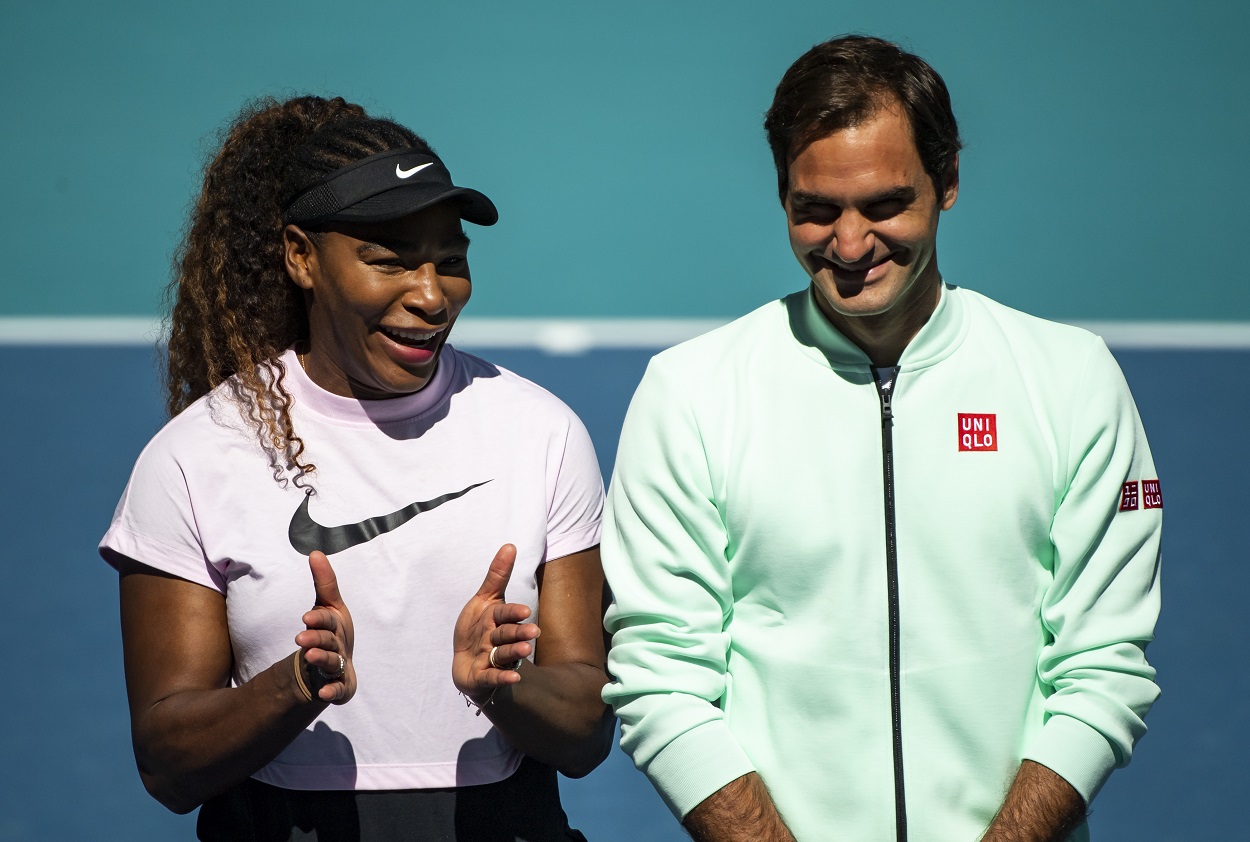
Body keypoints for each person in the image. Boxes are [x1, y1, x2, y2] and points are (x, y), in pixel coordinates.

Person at [600, 35, 1162, 842]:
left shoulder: (1073, 380)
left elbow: (1104, 669)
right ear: (782, 197)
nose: (852, 244)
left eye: (886, 205)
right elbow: (661, 682)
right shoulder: (689, 393)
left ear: (950, 183)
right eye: (817, 210)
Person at [100, 95, 613, 841]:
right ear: (301, 256)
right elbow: (167, 766)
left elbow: (586, 733)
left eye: (450, 261)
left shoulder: (542, 432)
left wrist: (505, 690)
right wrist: (296, 685)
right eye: (390, 260)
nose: (432, 295)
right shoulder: (194, 457)